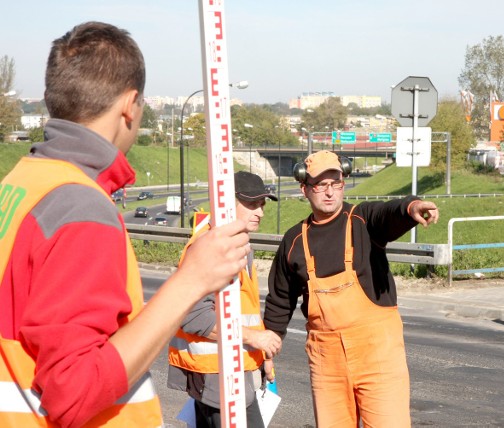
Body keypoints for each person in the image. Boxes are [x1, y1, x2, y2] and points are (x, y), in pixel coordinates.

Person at [0, 22, 250, 428]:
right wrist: (192, 280)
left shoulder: (19, 184)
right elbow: (75, 391)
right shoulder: (78, 206)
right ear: (131, 106)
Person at [263, 150, 439, 427]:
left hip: (378, 357)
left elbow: (389, 213)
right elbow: (280, 299)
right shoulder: (294, 240)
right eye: (321, 185)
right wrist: (268, 348)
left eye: (336, 183)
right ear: (305, 189)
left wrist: (411, 208)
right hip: (327, 364)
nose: (330, 192)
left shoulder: (364, 220)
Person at [168, 171, 283, 428]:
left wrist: (262, 354)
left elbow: (244, 307)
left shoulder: (236, 243)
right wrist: (254, 338)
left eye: (262, 204)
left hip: (229, 370)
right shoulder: (213, 246)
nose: (260, 212)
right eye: (252, 204)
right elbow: (194, 315)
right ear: (226, 203)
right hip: (218, 377)